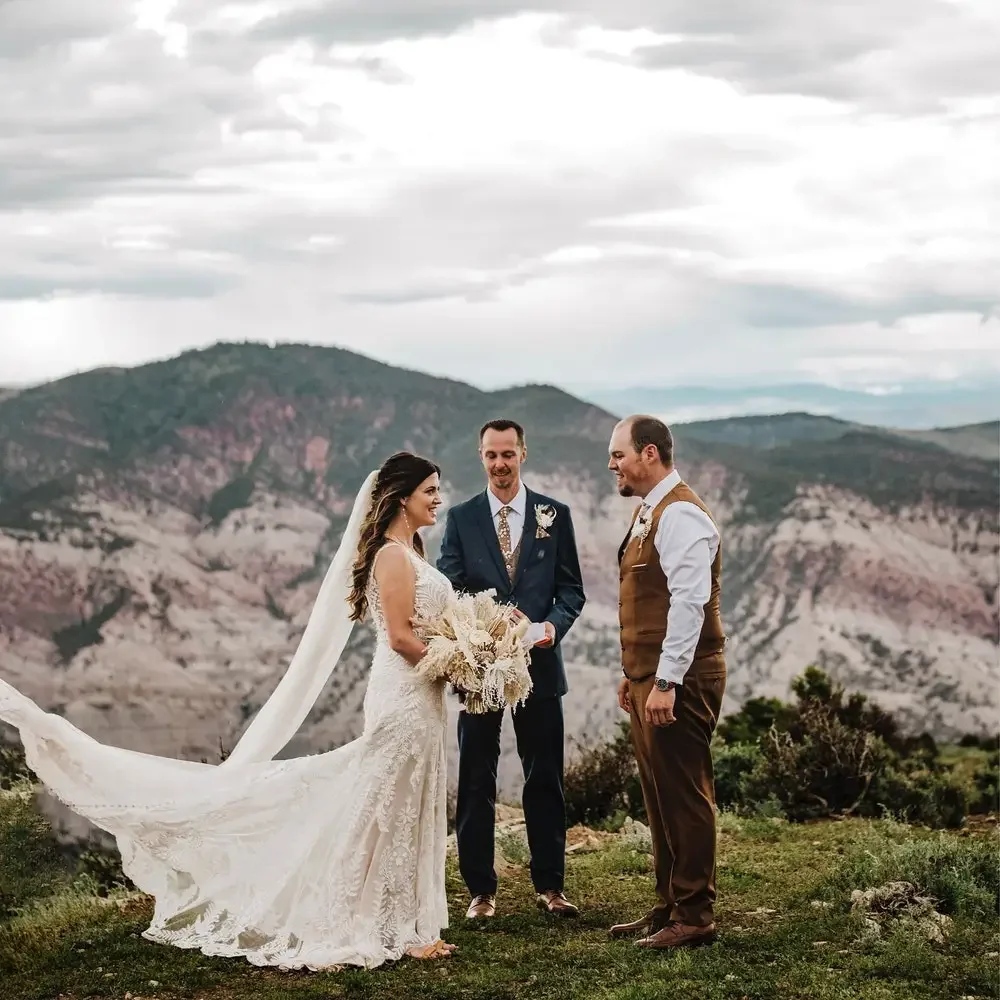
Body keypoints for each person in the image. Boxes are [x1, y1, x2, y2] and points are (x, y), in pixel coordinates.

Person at [0, 451, 462, 970]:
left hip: (423, 696)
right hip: (402, 693)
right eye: (430, 490)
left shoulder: (411, 548)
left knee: (405, 801)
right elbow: (400, 637)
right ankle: (375, 925)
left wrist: (470, 648)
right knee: (385, 807)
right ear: (402, 498)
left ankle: (402, 922)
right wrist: (461, 661)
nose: (438, 498)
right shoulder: (391, 557)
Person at [437, 418, 586, 919]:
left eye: (508, 454)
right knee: (475, 779)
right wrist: (490, 626)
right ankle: (480, 891)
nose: (500, 464)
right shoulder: (461, 518)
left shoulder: (554, 514)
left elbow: (571, 591)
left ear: (524, 453)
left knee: (544, 778)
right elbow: (451, 589)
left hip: (540, 671)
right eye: (491, 455)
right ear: (481, 457)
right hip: (480, 670)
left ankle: (551, 887)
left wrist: (547, 628)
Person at [607, 415, 727, 949]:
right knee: (659, 795)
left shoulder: (680, 514)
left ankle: (695, 916)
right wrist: (633, 673)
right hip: (649, 677)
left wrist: (666, 680)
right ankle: (669, 904)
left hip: (679, 678)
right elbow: (647, 601)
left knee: (685, 793)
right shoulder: (649, 512)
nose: (612, 464)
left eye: (618, 454)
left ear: (648, 453)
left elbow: (688, 603)